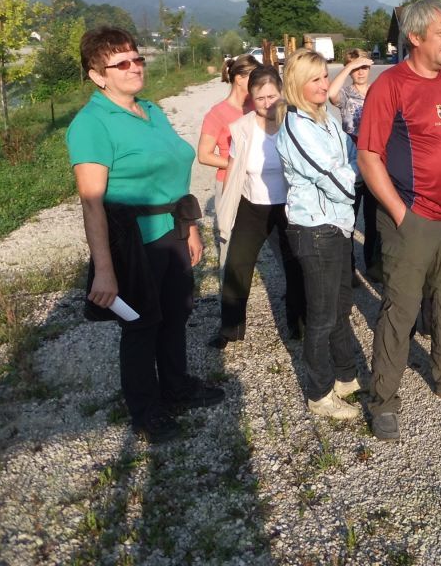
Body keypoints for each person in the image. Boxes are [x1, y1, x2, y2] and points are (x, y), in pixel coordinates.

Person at [67, 26, 223, 444]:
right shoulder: (92, 124)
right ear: (97, 75)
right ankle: (145, 411)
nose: (135, 67)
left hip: (172, 232)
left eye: (137, 59)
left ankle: (176, 386)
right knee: (140, 326)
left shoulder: (150, 110)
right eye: (122, 63)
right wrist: (104, 270)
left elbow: (173, 174)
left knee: (176, 314)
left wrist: (190, 228)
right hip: (132, 242)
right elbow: (92, 203)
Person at [358, 0, 441, 441]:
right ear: (415, 37)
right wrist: (400, 212)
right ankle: (383, 400)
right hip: (412, 217)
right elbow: (369, 156)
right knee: (401, 309)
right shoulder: (390, 86)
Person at [276, 49, 362, 420]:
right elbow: (331, 176)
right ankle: (319, 392)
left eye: (325, 76)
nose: (324, 84)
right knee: (322, 315)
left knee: (341, 306)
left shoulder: (324, 118)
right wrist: (356, 182)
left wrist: (352, 171)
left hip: (338, 224)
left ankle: (345, 376)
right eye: (315, 79)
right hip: (314, 228)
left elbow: (352, 153)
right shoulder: (296, 126)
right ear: (297, 83)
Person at [212, 66, 305, 347]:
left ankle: (300, 325)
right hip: (252, 206)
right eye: (260, 98)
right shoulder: (242, 128)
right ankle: (230, 328)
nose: (267, 103)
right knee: (237, 265)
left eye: (272, 96)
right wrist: (226, 207)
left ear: (282, 93)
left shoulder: (295, 124)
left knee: (296, 266)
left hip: (288, 207)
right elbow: (234, 168)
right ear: (251, 98)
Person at [199, 54, 258, 264]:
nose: (258, 82)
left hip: (257, 182)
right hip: (229, 181)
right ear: (239, 78)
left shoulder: (258, 106)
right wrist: (238, 165)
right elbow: (204, 155)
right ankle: (227, 281)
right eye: (254, 77)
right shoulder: (217, 113)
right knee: (230, 239)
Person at [328, 49, 379, 283]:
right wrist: (349, 66)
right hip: (351, 161)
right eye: (356, 68)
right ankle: (347, 269)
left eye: (364, 67)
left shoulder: (377, 91)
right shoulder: (346, 94)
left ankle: (374, 265)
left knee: (374, 217)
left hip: (375, 160)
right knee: (348, 216)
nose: (360, 72)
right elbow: (331, 94)